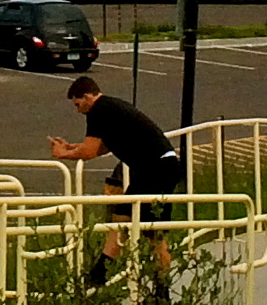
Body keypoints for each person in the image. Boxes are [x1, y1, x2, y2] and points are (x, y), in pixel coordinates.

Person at [51, 75, 183, 289]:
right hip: (159, 166)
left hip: (154, 168)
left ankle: (100, 273)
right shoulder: (110, 106)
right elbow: (104, 146)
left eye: (77, 105)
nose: (78, 110)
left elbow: (90, 151)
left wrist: (63, 154)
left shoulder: (98, 111)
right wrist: (71, 148)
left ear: (86, 97)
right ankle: (154, 287)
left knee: (134, 223)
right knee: (145, 226)